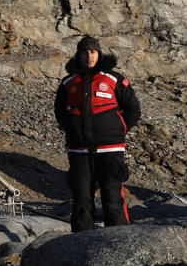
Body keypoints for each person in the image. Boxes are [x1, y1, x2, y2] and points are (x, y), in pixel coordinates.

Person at [54, 36, 141, 232]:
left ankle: (119, 242)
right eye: (84, 52)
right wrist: (72, 127)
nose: (89, 56)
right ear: (79, 55)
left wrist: (118, 129)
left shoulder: (114, 78)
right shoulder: (68, 82)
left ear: (99, 54)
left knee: (112, 198)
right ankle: (81, 243)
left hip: (110, 149)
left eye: (93, 52)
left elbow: (133, 110)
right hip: (79, 151)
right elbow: (60, 113)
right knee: (82, 199)